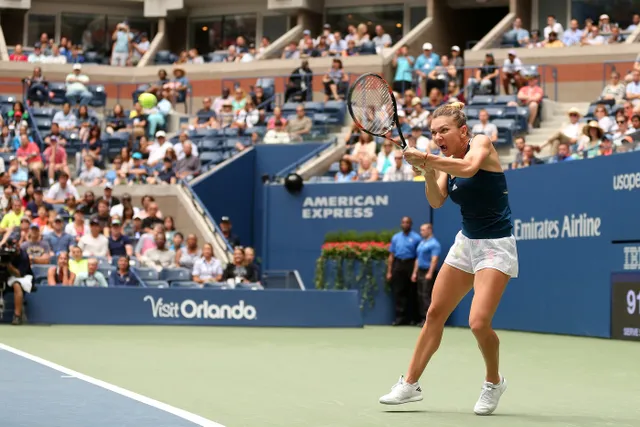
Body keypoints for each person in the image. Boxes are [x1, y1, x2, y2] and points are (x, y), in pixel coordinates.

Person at [380, 102, 518, 416]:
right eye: (434, 132)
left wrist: (428, 159)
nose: (438, 136)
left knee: (478, 323)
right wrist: (429, 172)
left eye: (444, 130)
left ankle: (494, 382)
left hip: (496, 245)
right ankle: (410, 384)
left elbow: (469, 169)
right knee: (434, 314)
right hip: (466, 243)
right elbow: (437, 200)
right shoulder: (444, 160)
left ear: (463, 131)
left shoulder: (481, 144)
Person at [386, 216, 421, 326]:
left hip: (410, 264)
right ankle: (400, 318)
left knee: (412, 293)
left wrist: (415, 271)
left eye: (407, 223)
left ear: (411, 224)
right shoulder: (396, 237)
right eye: (403, 222)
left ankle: (413, 319)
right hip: (398, 265)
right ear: (401, 224)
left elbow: (418, 256)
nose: (405, 224)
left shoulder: (416, 238)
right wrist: (389, 271)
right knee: (398, 292)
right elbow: (391, 255)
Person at [411, 223, 441, 326]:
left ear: (429, 230)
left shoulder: (434, 244)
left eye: (423, 230)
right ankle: (423, 318)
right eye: (420, 230)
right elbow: (418, 259)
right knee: (420, 295)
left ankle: (429, 320)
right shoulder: (421, 243)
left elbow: (434, 259)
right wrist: (414, 272)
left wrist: (430, 273)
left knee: (426, 295)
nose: (421, 232)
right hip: (420, 271)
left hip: (428, 272)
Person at [2, 236, 33, 325]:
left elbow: (18, 274)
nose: (15, 247)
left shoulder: (23, 256)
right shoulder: (2, 252)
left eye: (16, 244)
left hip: (22, 277)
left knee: (16, 285)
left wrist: (8, 264)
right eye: (12, 244)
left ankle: (17, 316)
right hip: (5, 276)